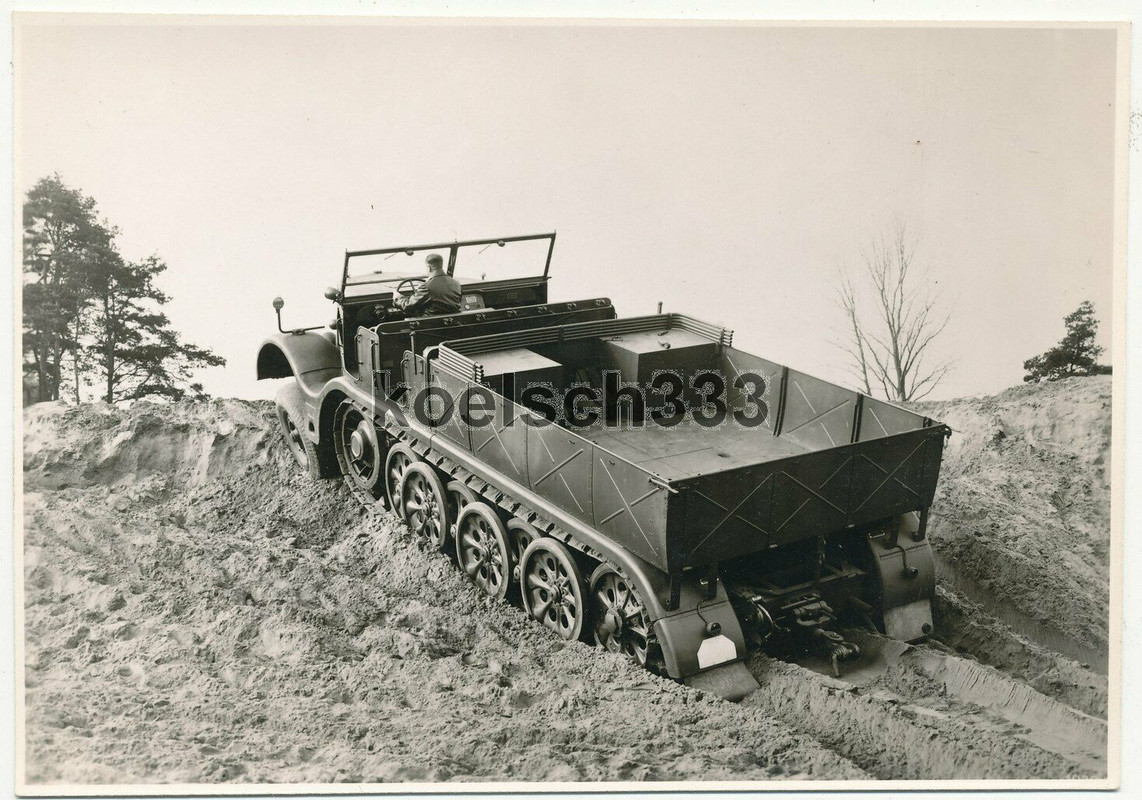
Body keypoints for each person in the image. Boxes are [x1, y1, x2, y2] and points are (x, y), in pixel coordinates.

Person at [393, 253, 462, 316]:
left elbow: (408, 305)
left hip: (430, 325)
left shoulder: (426, 286)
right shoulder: (456, 283)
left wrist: (398, 298)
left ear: (428, 267)